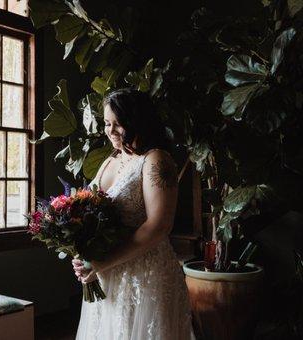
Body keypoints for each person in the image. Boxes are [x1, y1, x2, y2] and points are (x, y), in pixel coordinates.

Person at [73, 88, 196, 339]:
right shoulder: (110, 160)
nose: (111, 130)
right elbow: (89, 213)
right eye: (107, 123)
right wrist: (82, 250)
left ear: (138, 122)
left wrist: (102, 262)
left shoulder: (156, 160)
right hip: (107, 275)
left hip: (144, 274)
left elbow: (159, 226)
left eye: (119, 124)